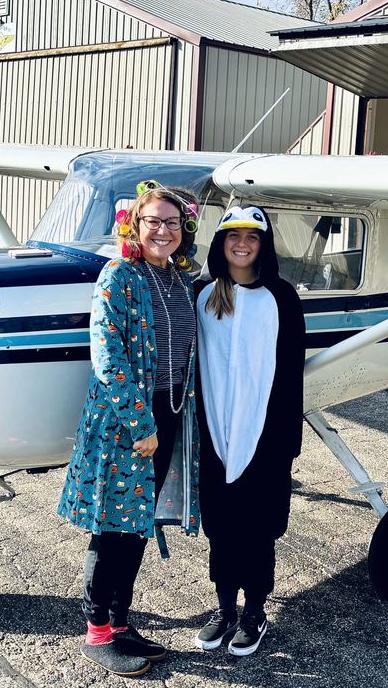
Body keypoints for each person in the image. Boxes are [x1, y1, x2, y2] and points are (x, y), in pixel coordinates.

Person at [57, 182, 202, 677]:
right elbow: (107, 353)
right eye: (153, 221)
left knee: (137, 523)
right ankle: (97, 631)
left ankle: (120, 621)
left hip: (170, 410)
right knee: (114, 527)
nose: (163, 230)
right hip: (128, 418)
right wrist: (141, 423)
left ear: (185, 230)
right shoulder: (119, 274)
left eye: (172, 222)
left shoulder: (180, 280)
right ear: (135, 227)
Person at [192, 205, 305, 656]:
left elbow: (292, 372)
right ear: (220, 243)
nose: (242, 244)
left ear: (264, 244)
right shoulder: (203, 295)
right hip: (216, 435)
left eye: (252, 237)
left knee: (258, 528)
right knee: (221, 528)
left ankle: (254, 611)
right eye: (233, 235)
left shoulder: (281, 297)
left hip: (265, 437)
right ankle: (225, 609)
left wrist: (286, 443)